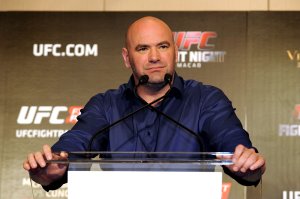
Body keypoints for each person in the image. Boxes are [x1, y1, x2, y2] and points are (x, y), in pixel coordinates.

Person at [23, 16, 266, 190]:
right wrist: (56, 163)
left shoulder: (206, 99)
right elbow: (79, 139)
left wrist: (245, 160)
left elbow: (230, 138)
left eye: (163, 46)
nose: (154, 57)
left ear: (175, 52)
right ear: (127, 58)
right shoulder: (106, 105)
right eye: (142, 48)